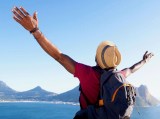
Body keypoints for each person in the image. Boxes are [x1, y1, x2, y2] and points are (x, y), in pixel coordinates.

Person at [12, 7, 154, 119]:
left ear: (97, 59)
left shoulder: (87, 73)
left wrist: (35, 30)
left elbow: (59, 56)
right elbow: (132, 68)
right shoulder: (120, 76)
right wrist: (145, 61)